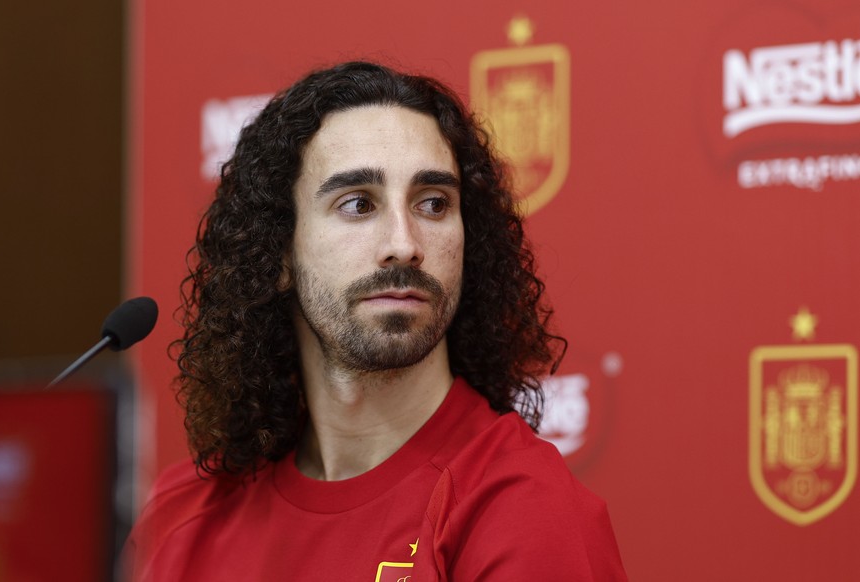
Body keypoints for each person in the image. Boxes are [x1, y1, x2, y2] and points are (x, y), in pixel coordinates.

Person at [125, 61, 627, 580]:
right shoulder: (182, 518)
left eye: (433, 203)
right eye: (358, 204)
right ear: (277, 255)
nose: (404, 245)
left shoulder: (523, 509)